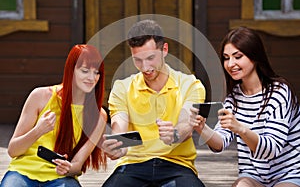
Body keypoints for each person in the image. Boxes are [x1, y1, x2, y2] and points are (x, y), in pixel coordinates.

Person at [190, 27, 300, 187]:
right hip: (253, 175)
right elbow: (219, 143)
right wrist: (202, 129)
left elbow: (272, 149)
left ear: (255, 57)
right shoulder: (233, 98)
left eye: (238, 57)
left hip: (288, 173)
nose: (230, 64)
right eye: (226, 58)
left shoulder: (279, 92)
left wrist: (240, 129)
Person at [101, 19, 206, 187]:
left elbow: (186, 125)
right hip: (133, 165)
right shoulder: (122, 88)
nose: (145, 67)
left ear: (164, 50)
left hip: (177, 165)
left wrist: (174, 134)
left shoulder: (191, 84)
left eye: (150, 58)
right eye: (138, 60)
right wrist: (117, 147)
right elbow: (119, 126)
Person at [0, 44, 107, 187]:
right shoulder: (40, 96)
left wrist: (68, 169)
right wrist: (39, 130)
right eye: (85, 71)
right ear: (71, 70)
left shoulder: (99, 115)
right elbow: (13, 151)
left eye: (96, 72)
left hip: (60, 178)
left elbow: (77, 165)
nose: (91, 78)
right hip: (23, 172)